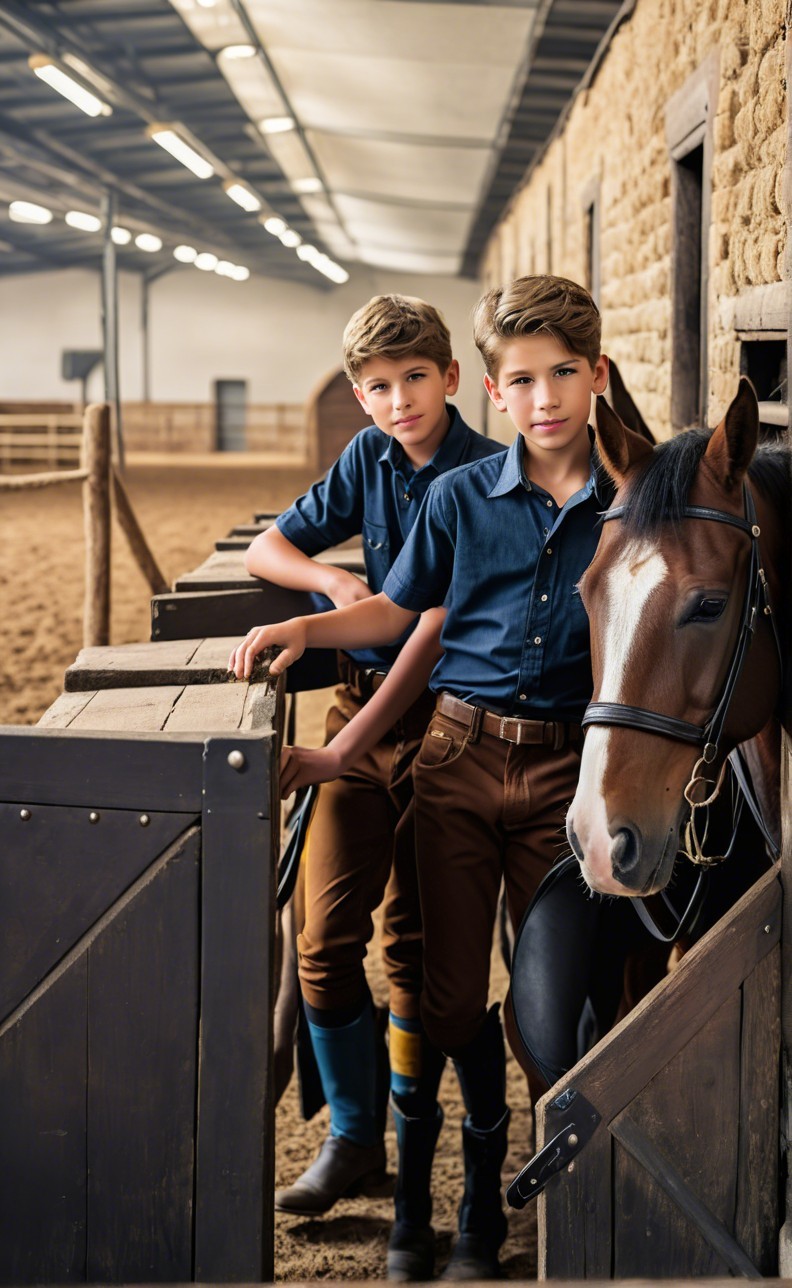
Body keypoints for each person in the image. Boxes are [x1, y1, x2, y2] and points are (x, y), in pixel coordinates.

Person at [231, 275, 612, 1280]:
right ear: (493, 386)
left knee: (553, 1004)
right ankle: (431, 1190)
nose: (543, 397)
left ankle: (553, 1192)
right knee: (430, 991)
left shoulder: (628, 499)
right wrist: (311, 619)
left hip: (559, 765)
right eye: (522, 379)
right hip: (457, 751)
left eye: (562, 374)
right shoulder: (453, 495)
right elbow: (404, 611)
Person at [231, 293, 502, 1281]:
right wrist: (331, 583)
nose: (399, 402)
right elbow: (269, 546)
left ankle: (421, 1168)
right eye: (378, 387)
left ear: (452, 378)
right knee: (321, 938)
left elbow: (428, 626)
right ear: (359, 395)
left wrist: (356, 623)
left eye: (414, 379)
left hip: (446, 723)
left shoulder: (488, 476)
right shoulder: (368, 460)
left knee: (413, 952)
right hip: (357, 706)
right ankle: (354, 1138)